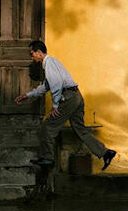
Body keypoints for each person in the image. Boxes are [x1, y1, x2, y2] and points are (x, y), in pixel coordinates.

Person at [15, 40, 116, 171]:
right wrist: (28, 95)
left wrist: (56, 105)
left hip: (68, 97)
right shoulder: (52, 62)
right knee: (80, 129)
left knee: (48, 126)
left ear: (39, 53)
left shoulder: (49, 63)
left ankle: (47, 158)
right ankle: (105, 153)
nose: (31, 56)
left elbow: (56, 84)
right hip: (76, 96)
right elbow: (46, 86)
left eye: (32, 53)